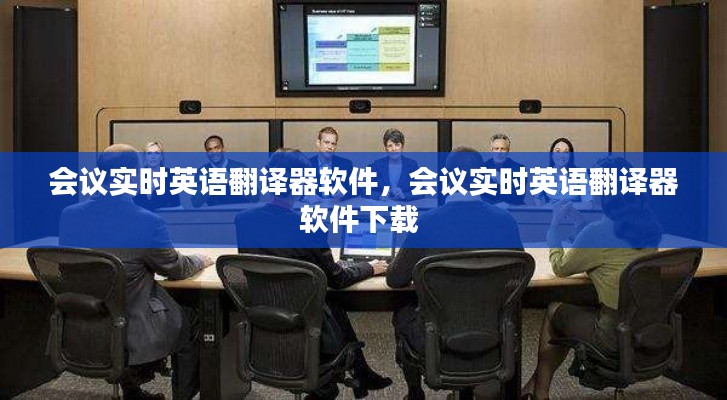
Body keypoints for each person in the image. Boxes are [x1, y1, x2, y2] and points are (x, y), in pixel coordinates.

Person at [59, 144, 215, 400]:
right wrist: (201, 259)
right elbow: (176, 268)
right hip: (133, 323)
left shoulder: (70, 215)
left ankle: (132, 390)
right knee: (192, 318)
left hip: (86, 318)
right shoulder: (146, 222)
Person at [235, 148, 392, 400]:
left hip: (266, 314)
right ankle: (347, 376)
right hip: (303, 318)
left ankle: (358, 371)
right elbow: (338, 279)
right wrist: (371, 267)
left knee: (332, 303)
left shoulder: (244, 220)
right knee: (332, 300)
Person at [387, 147, 524, 400]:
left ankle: (415, 393)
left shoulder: (427, 222)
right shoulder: (505, 221)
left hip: (437, 338)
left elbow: (395, 279)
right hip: (493, 334)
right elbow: (519, 274)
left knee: (402, 309)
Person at [521, 157, 663, 400]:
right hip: (645, 327)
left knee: (555, 311)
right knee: (571, 312)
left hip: (611, 334)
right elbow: (605, 253)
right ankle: (531, 388)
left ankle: (540, 393)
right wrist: (579, 222)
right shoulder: (650, 227)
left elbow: (561, 267)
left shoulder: (598, 232)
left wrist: (554, 229)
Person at [191, 135, 259, 207]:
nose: (214, 152)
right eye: (210, 149)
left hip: (240, 210)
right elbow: (195, 203)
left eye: (217, 148)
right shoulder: (202, 172)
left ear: (223, 149)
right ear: (207, 153)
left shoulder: (240, 167)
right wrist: (212, 185)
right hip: (216, 212)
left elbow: (255, 198)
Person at [367, 128, 422, 201]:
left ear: (402, 146)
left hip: (405, 205)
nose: (394, 149)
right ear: (386, 148)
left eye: (397, 145)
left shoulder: (412, 165)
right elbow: (364, 190)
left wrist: (405, 195)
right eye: (390, 146)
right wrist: (379, 196)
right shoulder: (377, 165)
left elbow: (422, 191)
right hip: (383, 205)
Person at [534, 137, 591, 206]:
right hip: (551, 211)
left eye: (566, 152)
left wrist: (563, 206)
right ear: (552, 155)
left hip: (574, 210)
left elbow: (588, 204)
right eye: (557, 151)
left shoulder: (581, 174)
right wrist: (544, 208)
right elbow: (536, 198)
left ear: (570, 156)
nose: (561, 156)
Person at [307, 126, 354, 202]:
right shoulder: (306, 164)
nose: (330, 147)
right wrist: (306, 197)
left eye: (333, 144)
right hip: (314, 206)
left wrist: (344, 194)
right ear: (318, 143)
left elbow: (356, 189)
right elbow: (294, 189)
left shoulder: (345, 164)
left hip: (337, 205)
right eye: (326, 142)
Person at [134, 141, 181, 211]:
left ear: (161, 157)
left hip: (164, 216)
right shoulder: (137, 175)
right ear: (145, 157)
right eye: (149, 153)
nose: (153, 157)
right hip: (140, 216)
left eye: (156, 153)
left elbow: (177, 205)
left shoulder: (170, 175)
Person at [482, 133, 527, 206]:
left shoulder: (518, 169)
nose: (499, 152)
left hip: (512, 208)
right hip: (489, 209)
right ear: (491, 151)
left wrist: (502, 182)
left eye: (503, 149)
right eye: (496, 149)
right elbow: (480, 196)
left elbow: (519, 197)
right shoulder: (483, 168)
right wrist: (494, 205)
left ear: (508, 151)